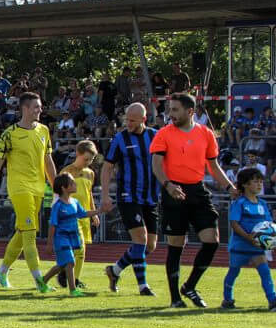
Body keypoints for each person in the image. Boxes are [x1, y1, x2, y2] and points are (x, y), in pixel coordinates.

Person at [150, 92, 237, 308]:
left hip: (197, 191)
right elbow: (156, 166)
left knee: (212, 241)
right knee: (176, 246)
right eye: (169, 109)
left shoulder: (206, 134)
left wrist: (230, 188)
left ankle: (189, 286)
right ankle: (175, 299)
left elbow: (213, 166)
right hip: (173, 191)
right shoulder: (163, 134)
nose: (171, 114)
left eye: (175, 110)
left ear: (190, 111)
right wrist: (168, 185)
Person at [0, 92, 56, 292]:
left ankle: (1, 272)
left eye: (40, 106)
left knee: (22, 232)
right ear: (25, 108)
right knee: (30, 234)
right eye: (36, 106)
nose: (40, 110)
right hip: (19, 188)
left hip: (38, 188)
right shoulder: (9, 133)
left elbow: (48, 161)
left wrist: (57, 187)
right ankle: (40, 281)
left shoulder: (44, 130)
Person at [101, 103, 160, 297]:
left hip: (150, 197)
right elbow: (107, 167)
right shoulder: (120, 139)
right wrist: (105, 194)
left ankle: (115, 270)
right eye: (127, 119)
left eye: (132, 120)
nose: (128, 123)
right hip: (128, 196)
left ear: (144, 119)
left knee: (149, 245)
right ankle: (143, 286)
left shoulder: (156, 136)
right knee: (140, 239)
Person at [222, 167, 276, 310]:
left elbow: (269, 225)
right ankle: (227, 300)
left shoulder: (263, 204)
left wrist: (271, 239)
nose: (259, 184)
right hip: (240, 246)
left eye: (261, 182)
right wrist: (247, 237)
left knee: (265, 271)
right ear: (245, 184)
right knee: (234, 272)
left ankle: (273, 300)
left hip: (257, 247)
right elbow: (234, 224)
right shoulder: (239, 203)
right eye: (255, 181)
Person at [41, 173, 97, 297]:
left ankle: (43, 281)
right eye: (72, 183)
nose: (75, 184)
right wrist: (49, 244)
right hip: (61, 238)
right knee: (71, 262)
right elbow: (52, 225)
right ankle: (73, 290)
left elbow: (83, 214)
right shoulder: (57, 206)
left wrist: (99, 211)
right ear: (63, 188)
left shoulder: (75, 202)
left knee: (62, 265)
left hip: (72, 237)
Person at [58, 140, 100, 288]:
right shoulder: (66, 172)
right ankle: (69, 277)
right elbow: (60, 194)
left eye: (91, 160)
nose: (88, 162)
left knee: (81, 250)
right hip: (70, 216)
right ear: (78, 154)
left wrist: (94, 213)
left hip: (84, 215)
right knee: (77, 249)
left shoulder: (90, 173)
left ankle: (72, 277)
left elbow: (89, 194)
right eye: (86, 159)